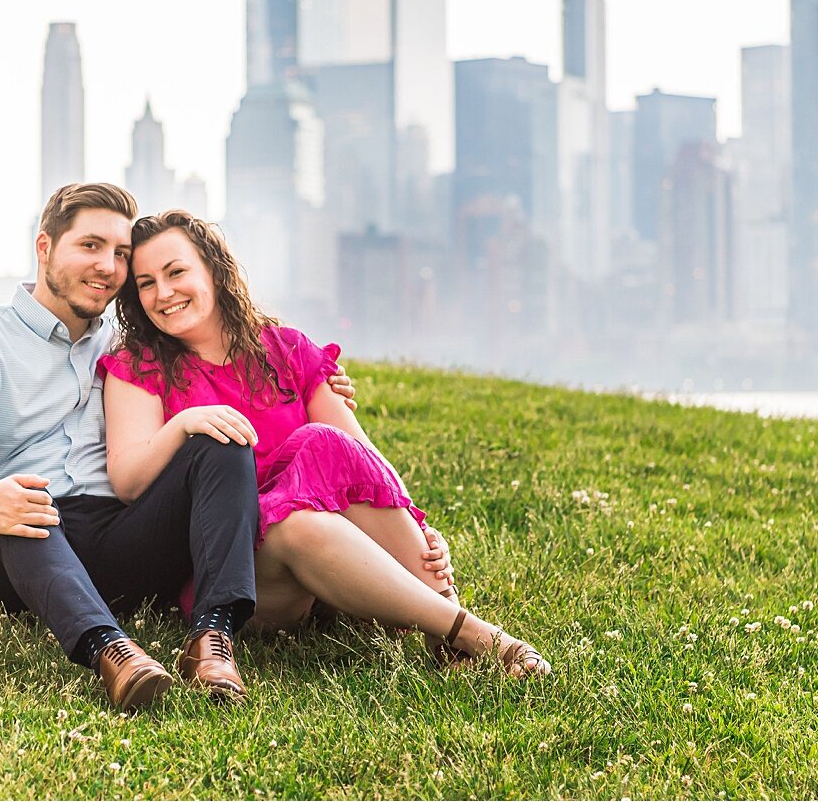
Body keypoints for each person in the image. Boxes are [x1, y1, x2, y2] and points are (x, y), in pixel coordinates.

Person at [0, 183, 368, 711]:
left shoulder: (133, 343)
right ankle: (112, 653)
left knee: (218, 438)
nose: (108, 266)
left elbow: (227, 347)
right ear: (45, 248)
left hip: (120, 537)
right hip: (8, 549)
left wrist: (317, 379)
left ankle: (213, 640)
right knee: (20, 505)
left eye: (119, 253)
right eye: (90, 245)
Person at [102, 210, 551, 678]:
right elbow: (130, 482)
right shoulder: (139, 367)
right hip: (246, 571)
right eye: (146, 283)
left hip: (335, 550)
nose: (164, 293)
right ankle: (473, 635)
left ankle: (439, 610)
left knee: (323, 441)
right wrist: (185, 424)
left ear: (213, 270)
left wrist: (417, 530)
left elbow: (360, 462)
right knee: (295, 525)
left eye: (176, 272)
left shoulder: (287, 349)